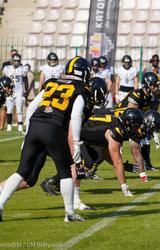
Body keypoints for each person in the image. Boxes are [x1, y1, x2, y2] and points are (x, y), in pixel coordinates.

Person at [0, 56, 92, 222]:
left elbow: (32, 106)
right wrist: (77, 143)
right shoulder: (80, 89)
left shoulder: (52, 82)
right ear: (84, 72)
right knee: (65, 172)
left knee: (21, 172)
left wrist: (28, 133)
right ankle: (70, 213)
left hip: (35, 124)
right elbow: (76, 115)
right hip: (53, 127)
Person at [2, 53, 28, 132]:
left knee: (19, 109)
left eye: (18, 61)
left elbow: (25, 77)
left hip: (19, 91)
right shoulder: (7, 68)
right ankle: (9, 125)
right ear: (11, 61)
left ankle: (20, 125)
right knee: (9, 109)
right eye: (14, 61)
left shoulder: (23, 68)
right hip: (10, 90)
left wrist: (25, 90)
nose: (16, 62)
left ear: (20, 61)